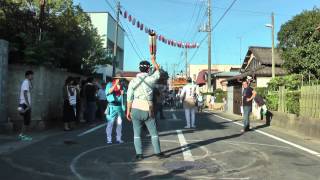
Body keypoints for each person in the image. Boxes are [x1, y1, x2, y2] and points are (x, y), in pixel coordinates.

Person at [126, 55, 166, 160]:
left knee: (137, 133)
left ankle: (139, 154)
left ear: (139, 68)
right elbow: (159, 72)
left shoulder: (132, 81)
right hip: (148, 108)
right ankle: (158, 153)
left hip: (135, 107)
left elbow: (129, 98)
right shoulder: (151, 79)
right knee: (153, 132)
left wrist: (128, 111)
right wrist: (154, 60)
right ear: (148, 69)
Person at [105, 76, 126, 144]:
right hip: (112, 106)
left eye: (121, 79)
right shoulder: (110, 84)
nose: (120, 80)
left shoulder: (123, 86)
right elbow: (109, 91)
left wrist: (123, 94)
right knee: (110, 123)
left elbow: (125, 97)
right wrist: (115, 84)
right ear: (115, 79)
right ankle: (109, 139)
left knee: (119, 124)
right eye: (118, 79)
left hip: (120, 106)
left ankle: (118, 139)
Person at [18, 70, 34, 141]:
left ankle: (22, 135)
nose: (32, 76)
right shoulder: (26, 82)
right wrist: (28, 104)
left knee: (26, 121)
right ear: (27, 75)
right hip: (25, 104)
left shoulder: (27, 82)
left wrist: (30, 81)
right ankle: (22, 135)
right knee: (26, 121)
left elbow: (31, 88)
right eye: (31, 75)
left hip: (24, 104)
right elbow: (25, 93)